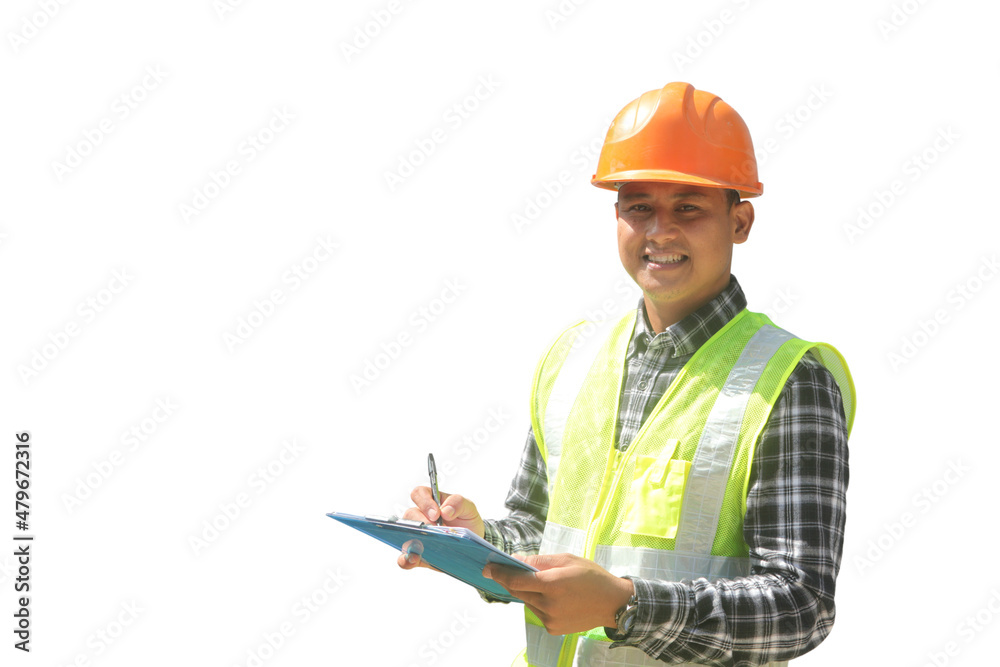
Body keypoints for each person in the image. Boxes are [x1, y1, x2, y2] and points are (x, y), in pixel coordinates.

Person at [398, 82, 856, 667]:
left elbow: (800, 606)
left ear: (739, 221)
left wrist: (624, 606)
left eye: (687, 205)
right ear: (617, 215)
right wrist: (475, 541)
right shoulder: (572, 359)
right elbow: (538, 535)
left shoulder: (789, 382)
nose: (659, 229)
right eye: (639, 205)